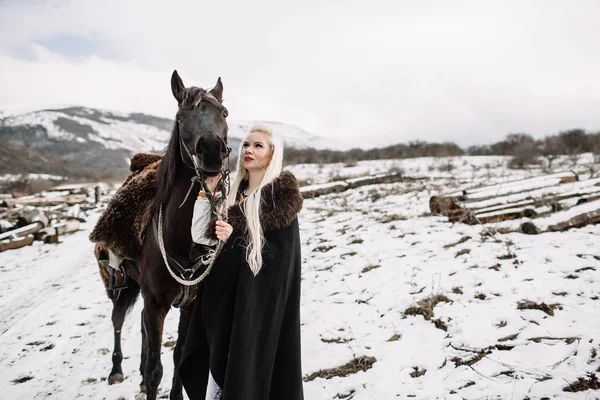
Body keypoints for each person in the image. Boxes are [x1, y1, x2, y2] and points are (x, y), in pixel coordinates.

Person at [179, 124, 305, 400]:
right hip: (223, 302)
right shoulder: (234, 192)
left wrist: (236, 237)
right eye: (246, 144)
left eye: (258, 145)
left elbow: (277, 264)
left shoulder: (280, 201)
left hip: (253, 307)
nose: (248, 149)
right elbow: (202, 235)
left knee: (245, 375)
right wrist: (205, 194)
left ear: (272, 155)